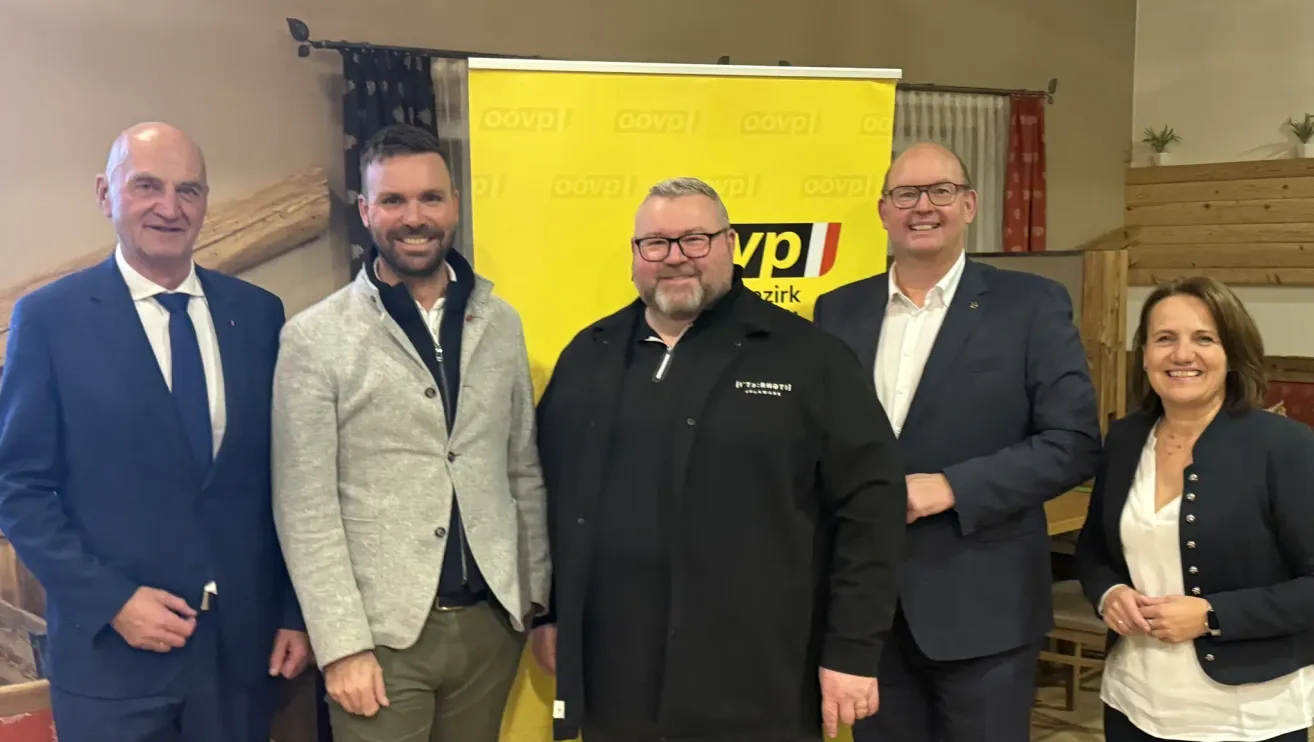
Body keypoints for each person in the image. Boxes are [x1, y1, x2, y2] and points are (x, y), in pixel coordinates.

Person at [530, 176, 907, 742]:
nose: (675, 258)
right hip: (616, 675)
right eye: (655, 243)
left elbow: (871, 510)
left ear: (730, 244)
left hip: (759, 677)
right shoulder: (589, 355)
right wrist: (553, 612)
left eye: (695, 240)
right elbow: (551, 499)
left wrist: (852, 651)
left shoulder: (811, 360)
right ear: (635, 256)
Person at [0, 122, 310, 741]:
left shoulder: (256, 315)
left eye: (188, 190)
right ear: (105, 193)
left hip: (240, 660)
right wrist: (111, 600)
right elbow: (19, 490)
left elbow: (284, 479)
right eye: (147, 186)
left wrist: (292, 611)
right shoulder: (48, 319)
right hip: (112, 661)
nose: (170, 208)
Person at [811, 141, 1102, 741]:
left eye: (940, 191)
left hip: (984, 609)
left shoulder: (1031, 305)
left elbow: (1072, 441)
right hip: (868, 615)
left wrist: (949, 487)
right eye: (905, 194)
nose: (923, 207)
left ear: (969, 205)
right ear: (883, 210)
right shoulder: (838, 311)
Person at [270, 123, 550, 742]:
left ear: (453, 206)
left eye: (429, 198)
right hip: (382, 640)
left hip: (490, 630)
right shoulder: (314, 339)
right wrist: (340, 646)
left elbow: (519, 467)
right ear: (366, 212)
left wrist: (534, 596)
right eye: (393, 201)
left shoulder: (501, 323)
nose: (413, 217)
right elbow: (305, 506)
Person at [1075, 276, 1314, 742]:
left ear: (1232, 354)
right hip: (1132, 701)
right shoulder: (1125, 439)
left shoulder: (1284, 446)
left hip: (1247, 716)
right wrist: (1109, 594)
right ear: (1144, 355)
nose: (1182, 355)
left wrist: (1211, 615)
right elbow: (1092, 550)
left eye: (1204, 338)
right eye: (1165, 339)